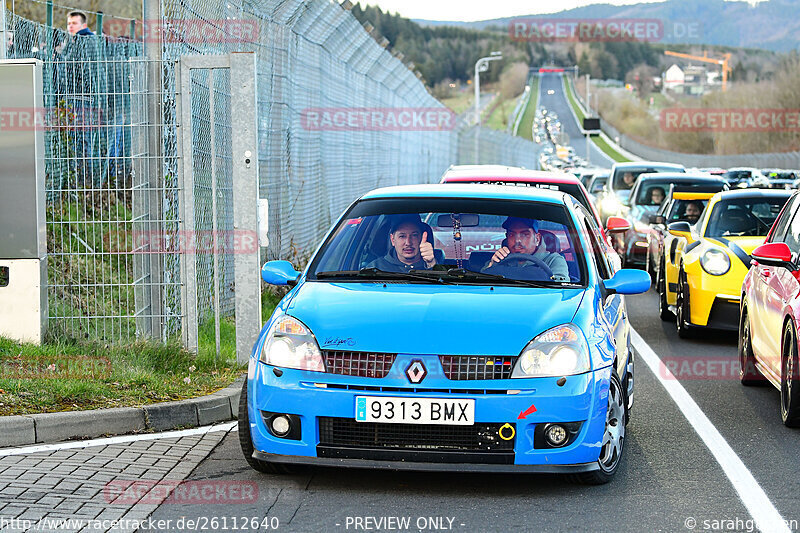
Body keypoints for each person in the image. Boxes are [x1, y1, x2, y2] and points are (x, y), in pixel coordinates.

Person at [483, 217, 569, 282]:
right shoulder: (499, 260)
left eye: (524, 234)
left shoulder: (553, 260)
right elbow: (482, 287)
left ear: (537, 239)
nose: (517, 240)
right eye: (512, 235)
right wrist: (491, 266)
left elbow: (560, 289)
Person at [366, 215, 437, 272]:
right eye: (402, 236)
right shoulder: (376, 268)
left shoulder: (436, 265)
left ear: (421, 238)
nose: (408, 243)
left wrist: (431, 264)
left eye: (414, 235)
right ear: (393, 240)